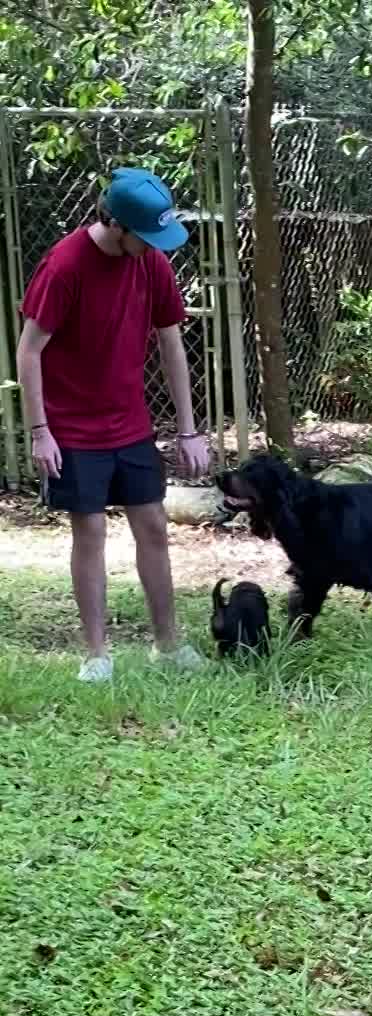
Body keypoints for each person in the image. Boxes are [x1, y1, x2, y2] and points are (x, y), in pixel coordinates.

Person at [16, 166, 212, 683]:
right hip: (73, 429)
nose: (155, 247)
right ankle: (96, 654)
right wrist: (41, 431)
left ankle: (169, 645)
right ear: (116, 224)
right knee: (92, 531)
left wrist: (189, 429)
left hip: (131, 424)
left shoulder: (152, 264)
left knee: (153, 526)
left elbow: (172, 342)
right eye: (146, 237)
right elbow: (28, 351)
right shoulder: (64, 266)